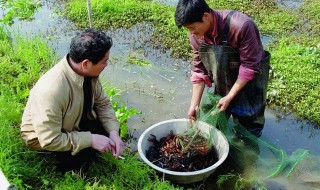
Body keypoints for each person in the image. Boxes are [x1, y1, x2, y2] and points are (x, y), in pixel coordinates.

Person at [21, 28, 125, 172]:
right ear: (86, 64)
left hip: (73, 120)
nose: (107, 65)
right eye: (104, 62)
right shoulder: (51, 91)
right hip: (46, 138)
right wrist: (90, 140)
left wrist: (114, 132)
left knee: (110, 131)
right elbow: (50, 139)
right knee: (79, 161)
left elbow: (103, 103)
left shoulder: (88, 73)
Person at [175, 0, 270, 137]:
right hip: (224, 81)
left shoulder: (242, 26)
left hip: (250, 85)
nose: (191, 32)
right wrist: (194, 105)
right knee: (213, 126)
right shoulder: (196, 35)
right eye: (188, 29)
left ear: (206, 16)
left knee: (248, 131)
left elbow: (249, 67)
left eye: (192, 27)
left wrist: (230, 96)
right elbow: (199, 70)